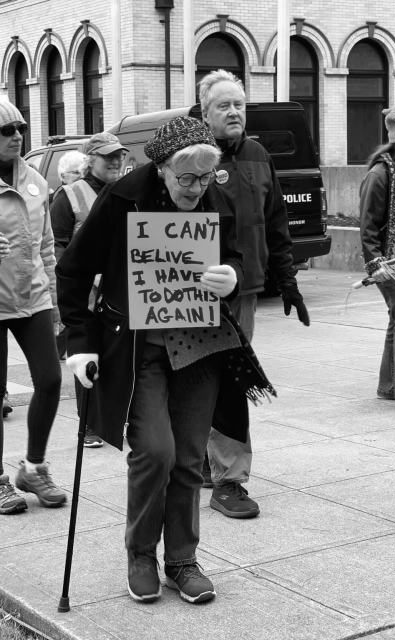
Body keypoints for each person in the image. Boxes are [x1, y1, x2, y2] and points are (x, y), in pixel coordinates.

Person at [56, 116, 275, 604]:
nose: (197, 189)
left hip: (199, 347)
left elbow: (239, 255)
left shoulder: (212, 196)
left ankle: (181, 559)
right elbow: (72, 271)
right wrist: (81, 342)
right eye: (187, 179)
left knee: (191, 458)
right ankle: (140, 554)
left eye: (205, 178)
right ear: (161, 169)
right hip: (140, 350)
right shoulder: (123, 198)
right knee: (156, 451)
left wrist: (231, 277)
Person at [199, 69, 310, 519]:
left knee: (230, 378)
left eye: (239, 104)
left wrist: (288, 280)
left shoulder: (259, 155)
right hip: (198, 290)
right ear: (205, 112)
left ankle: (227, 479)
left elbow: (276, 223)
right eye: (223, 105)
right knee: (199, 380)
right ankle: (213, 464)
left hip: (242, 291)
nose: (234, 112)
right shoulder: (193, 154)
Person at [0, 100, 66, 515]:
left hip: (33, 296)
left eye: (20, 126)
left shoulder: (36, 181)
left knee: (51, 379)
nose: (17, 135)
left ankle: (34, 467)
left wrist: (56, 303)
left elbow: (46, 246)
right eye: (7, 131)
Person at [51, 132, 128, 448]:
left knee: (114, 357)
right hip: (85, 293)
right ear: (89, 159)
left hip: (117, 292)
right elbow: (57, 245)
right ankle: (89, 426)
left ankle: (111, 418)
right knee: (87, 354)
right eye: (108, 155)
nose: (115, 160)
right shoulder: (68, 195)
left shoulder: (125, 192)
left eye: (119, 155)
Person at [360, 107, 395, 410]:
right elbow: (367, 227)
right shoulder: (380, 174)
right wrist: (376, 265)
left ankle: (389, 385)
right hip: (389, 263)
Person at [52, 150, 86, 361]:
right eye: (76, 173)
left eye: (84, 172)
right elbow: (57, 243)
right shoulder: (65, 197)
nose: (81, 176)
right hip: (73, 277)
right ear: (63, 176)